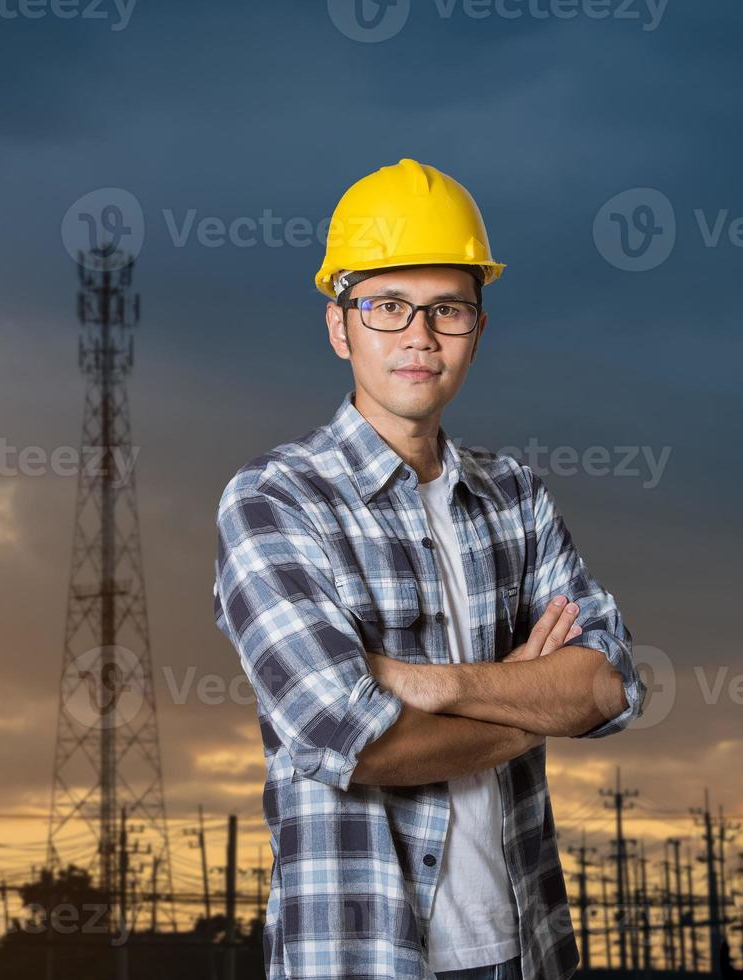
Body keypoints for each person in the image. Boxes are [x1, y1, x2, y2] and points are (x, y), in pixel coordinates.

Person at [212, 158, 647, 980]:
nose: (419, 335)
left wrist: (436, 684)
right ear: (340, 327)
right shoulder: (273, 501)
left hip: (526, 950)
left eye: (447, 309)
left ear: (476, 329)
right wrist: (526, 700)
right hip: (360, 956)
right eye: (387, 307)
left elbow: (608, 687)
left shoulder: (513, 494)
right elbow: (352, 741)